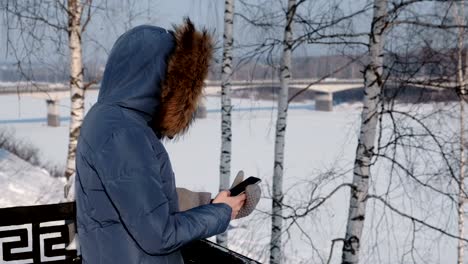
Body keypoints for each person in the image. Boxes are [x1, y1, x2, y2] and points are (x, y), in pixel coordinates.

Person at [75, 19, 253, 264]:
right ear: (159, 76)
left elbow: (136, 203)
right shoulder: (123, 131)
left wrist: (212, 204)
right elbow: (160, 235)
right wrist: (221, 212)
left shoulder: (109, 120)